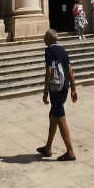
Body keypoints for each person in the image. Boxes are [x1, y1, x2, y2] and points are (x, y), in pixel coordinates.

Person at [36, 30, 77, 161]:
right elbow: (70, 71)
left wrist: (45, 92)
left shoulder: (49, 51)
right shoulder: (63, 51)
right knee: (53, 116)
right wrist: (73, 89)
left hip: (55, 89)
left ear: (48, 39)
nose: (43, 39)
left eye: (44, 37)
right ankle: (48, 148)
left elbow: (48, 71)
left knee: (60, 118)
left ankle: (70, 152)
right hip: (64, 88)